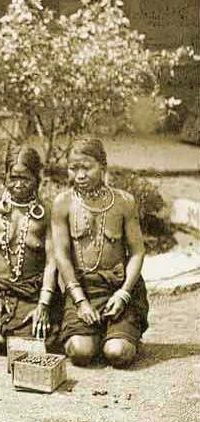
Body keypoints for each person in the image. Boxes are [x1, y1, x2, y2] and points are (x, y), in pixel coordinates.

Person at [52, 138, 148, 368]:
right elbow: (62, 256)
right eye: (73, 168)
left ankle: (121, 335)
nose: (80, 175)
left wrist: (124, 294)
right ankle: (98, 334)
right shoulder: (62, 203)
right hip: (82, 289)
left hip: (118, 288)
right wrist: (80, 302)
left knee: (117, 353)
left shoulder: (124, 202)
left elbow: (137, 252)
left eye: (87, 167)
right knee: (80, 352)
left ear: (103, 167)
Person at [0, 148, 61, 354]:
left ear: (37, 178)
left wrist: (43, 304)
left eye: (26, 178)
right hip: (1, 292)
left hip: (33, 294)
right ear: (5, 175)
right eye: (13, 177)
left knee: (43, 340)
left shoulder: (47, 212)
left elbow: (52, 262)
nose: (19, 184)